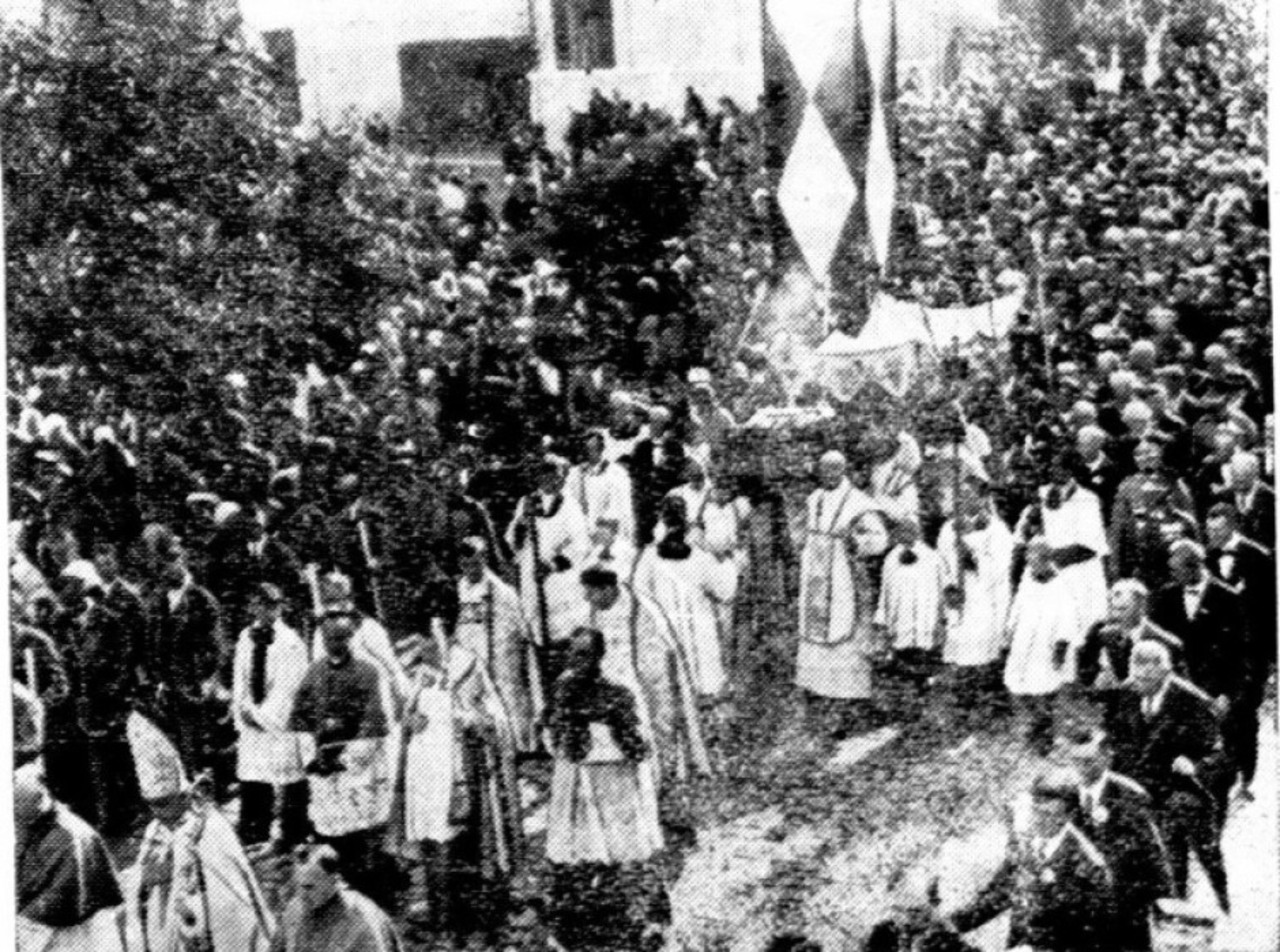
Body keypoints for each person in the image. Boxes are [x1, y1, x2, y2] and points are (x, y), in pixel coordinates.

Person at [395, 636, 523, 946]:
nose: (416, 645)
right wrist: (408, 720)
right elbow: (400, 713)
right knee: (432, 844)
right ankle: (443, 921)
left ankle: (475, 922)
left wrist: (467, 721)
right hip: (426, 772)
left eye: (424, 636)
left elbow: (494, 717)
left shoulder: (467, 665)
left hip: (465, 772)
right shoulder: (412, 668)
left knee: (464, 845)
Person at [545, 627, 666, 951]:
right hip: (575, 778)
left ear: (599, 656)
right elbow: (554, 732)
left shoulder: (617, 692)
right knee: (575, 850)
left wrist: (613, 729)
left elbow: (636, 745)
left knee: (616, 847)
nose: (576, 660)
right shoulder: (563, 690)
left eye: (584, 654)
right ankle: (576, 924)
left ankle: (623, 920)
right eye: (573, 653)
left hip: (610, 777)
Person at [123, 712, 275, 951]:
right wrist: (144, 878)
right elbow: (141, 884)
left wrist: (178, 875)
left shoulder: (211, 827)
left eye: (164, 803)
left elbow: (231, 898)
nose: (159, 813)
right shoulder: (155, 830)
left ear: (183, 795)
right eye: (152, 806)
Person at [1104, 640, 1231, 912]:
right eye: (1136, 676)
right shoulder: (1128, 693)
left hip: (1180, 791)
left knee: (1194, 854)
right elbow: (1117, 741)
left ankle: (1221, 904)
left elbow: (1219, 756)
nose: (1139, 684)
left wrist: (1194, 765)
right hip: (1140, 791)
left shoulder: (1191, 701)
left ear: (1165, 673)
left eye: (1146, 678)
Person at [289, 605, 395, 906]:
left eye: (342, 638)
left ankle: (371, 900)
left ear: (351, 638)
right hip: (323, 766)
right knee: (330, 838)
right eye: (329, 639)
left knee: (362, 839)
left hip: (356, 768)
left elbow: (373, 722)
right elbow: (299, 716)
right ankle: (334, 897)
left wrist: (345, 760)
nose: (335, 644)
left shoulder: (367, 672)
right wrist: (312, 756)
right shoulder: (314, 672)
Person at [944, 770, 1115, 952]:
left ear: (1068, 816)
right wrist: (950, 925)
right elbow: (999, 895)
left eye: (1047, 814)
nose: (1037, 820)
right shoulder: (1026, 845)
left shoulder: (1086, 862)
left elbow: (1092, 931)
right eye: (1035, 810)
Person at [1057, 715, 1175, 952]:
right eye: (1076, 761)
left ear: (1106, 757)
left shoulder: (1129, 796)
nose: (1081, 768)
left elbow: (1154, 857)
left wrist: (1164, 908)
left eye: (1089, 761)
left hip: (1123, 916)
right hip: (1076, 917)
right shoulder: (1063, 795)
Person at [633, 495, 738, 703]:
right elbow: (725, 592)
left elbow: (724, 592)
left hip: (681, 625)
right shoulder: (693, 555)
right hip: (679, 626)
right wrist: (724, 559)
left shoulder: (691, 555)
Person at [232, 582, 312, 850]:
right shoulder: (246, 637)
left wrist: (262, 716)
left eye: (273, 605)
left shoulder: (290, 642)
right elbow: (240, 678)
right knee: (254, 777)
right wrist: (243, 710)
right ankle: (254, 834)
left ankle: (293, 836)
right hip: (252, 721)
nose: (268, 611)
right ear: (252, 607)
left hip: (278, 722)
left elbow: (290, 686)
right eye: (261, 605)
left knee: (289, 778)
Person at [16, 764, 127, 952]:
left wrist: (20, 922)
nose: (16, 817)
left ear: (40, 800)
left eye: (19, 806)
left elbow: (62, 896)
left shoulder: (69, 834)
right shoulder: (33, 824)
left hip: (79, 933)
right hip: (48, 929)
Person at [796, 450, 875, 703]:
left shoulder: (859, 502)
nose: (829, 474)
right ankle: (813, 685)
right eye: (824, 469)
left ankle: (847, 692)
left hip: (843, 573)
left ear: (843, 470)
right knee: (813, 631)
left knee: (842, 625)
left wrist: (858, 542)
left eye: (834, 468)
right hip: (814, 572)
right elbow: (802, 532)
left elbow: (878, 538)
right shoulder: (814, 498)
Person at [454, 535, 541, 753]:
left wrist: (501, 659)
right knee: (471, 703)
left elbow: (518, 629)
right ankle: (488, 751)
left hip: (500, 657)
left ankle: (520, 749)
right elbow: (463, 625)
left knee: (508, 701)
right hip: (472, 657)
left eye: (475, 563)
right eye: (465, 564)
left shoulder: (501, 591)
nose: (470, 569)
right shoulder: (462, 587)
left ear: (484, 559)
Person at [506, 455, 591, 656]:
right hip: (530, 571)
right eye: (543, 475)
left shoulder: (570, 506)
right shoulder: (527, 502)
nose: (548, 480)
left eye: (552, 476)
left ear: (559, 478)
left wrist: (552, 565)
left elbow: (582, 546)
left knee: (560, 630)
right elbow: (512, 539)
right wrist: (523, 520)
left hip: (558, 576)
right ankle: (537, 656)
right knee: (533, 625)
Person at [1003, 538, 1081, 753]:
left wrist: (1060, 649)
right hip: (1024, 641)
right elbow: (1018, 604)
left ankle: (1044, 734)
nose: (1032, 565)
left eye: (1036, 561)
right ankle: (1037, 723)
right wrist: (1009, 631)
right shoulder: (1028, 578)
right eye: (1029, 560)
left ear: (1046, 560)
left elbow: (1068, 619)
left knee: (1044, 689)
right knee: (1019, 686)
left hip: (1047, 644)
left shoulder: (1061, 586)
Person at [268, 845, 404, 952]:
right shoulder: (295, 909)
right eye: (298, 886)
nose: (301, 895)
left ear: (334, 879)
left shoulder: (363, 920)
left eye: (309, 887)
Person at [1076, 580, 1183, 690]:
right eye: (1113, 609)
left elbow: (1172, 690)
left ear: (1141, 607)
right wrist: (1095, 681)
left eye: (1122, 609)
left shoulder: (1168, 645)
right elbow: (1084, 672)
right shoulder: (1102, 633)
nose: (1115, 615)